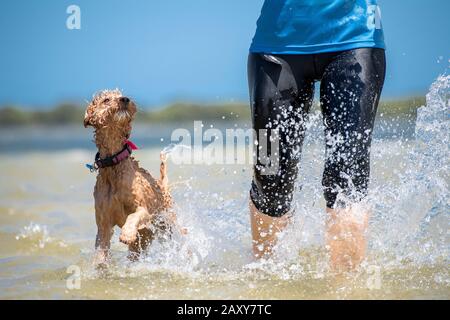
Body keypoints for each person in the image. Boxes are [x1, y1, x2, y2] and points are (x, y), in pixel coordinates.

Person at [247, 0, 386, 271]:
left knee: (347, 176)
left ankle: (345, 286)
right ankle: (267, 281)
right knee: (270, 175)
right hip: (275, 47)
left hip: (355, 40)